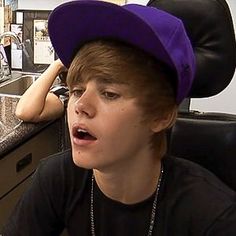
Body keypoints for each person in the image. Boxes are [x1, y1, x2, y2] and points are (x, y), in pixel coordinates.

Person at [2, 1, 236, 236]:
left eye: (109, 94)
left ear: (162, 115)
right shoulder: (55, 179)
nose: (80, 106)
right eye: (77, 90)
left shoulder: (214, 215)